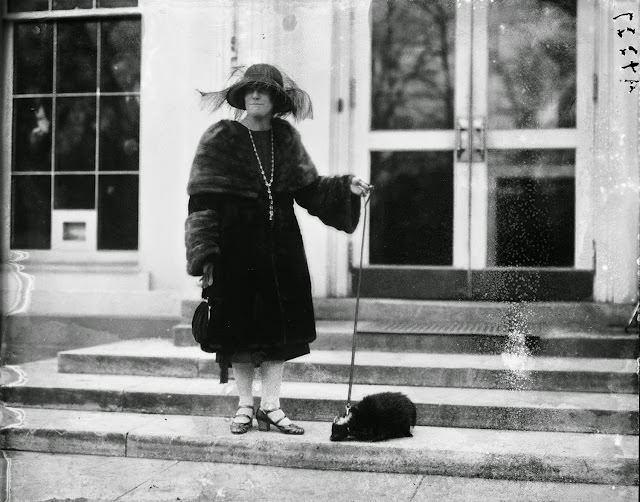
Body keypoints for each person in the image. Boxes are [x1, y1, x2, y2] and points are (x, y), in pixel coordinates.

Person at [185, 64, 371, 435]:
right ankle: (243, 407)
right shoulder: (220, 137)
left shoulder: (285, 139)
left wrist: (346, 186)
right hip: (234, 252)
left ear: (274, 100)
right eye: (250, 91)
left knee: (277, 332)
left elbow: (311, 189)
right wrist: (205, 253)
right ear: (242, 97)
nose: (256, 96)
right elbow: (201, 201)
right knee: (238, 331)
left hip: (281, 251)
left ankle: (271, 406)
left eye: (264, 91)